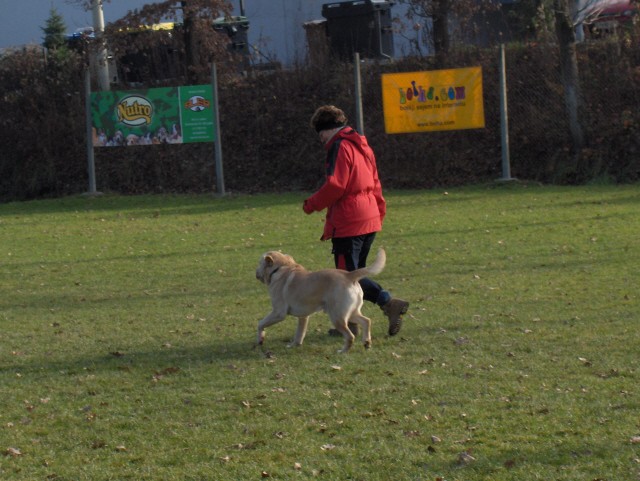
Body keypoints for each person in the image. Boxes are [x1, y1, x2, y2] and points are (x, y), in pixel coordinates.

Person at [302, 105, 409, 336]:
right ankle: (349, 323)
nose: (322, 141)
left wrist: (312, 204)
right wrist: (379, 210)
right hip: (368, 216)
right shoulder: (361, 144)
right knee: (352, 274)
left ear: (327, 130)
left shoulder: (338, 146)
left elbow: (336, 185)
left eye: (321, 135)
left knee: (346, 276)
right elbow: (375, 181)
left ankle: (388, 302)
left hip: (350, 220)